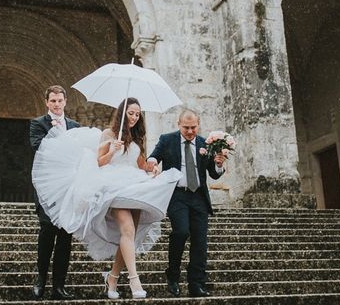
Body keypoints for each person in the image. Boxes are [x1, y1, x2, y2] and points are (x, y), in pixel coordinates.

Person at [32, 97, 182, 300]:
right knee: (127, 230)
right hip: (113, 188)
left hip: (135, 187)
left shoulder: (137, 138)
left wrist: (152, 168)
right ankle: (134, 280)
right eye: (131, 113)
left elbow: (141, 165)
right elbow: (97, 163)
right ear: (122, 113)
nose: (135, 118)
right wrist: (112, 151)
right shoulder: (108, 134)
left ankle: (112, 278)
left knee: (130, 235)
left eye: (138, 114)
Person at [146, 110, 225, 298]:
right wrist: (153, 164)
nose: (190, 131)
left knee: (200, 241)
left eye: (193, 127)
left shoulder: (206, 143)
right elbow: (153, 157)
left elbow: (214, 174)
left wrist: (219, 164)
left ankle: (196, 284)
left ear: (198, 125)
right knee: (181, 231)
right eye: (186, 127)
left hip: (199, 197)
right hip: (177, 195)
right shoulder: (167, 139)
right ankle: (173, 274)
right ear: (178, 124)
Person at [29, 85, 80, 300]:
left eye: (60, 100)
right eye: (53, 101)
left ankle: (59, 285)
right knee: (47, 233)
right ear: (47, 102)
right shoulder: (38, 124)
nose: (57, 104)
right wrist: (62, 140)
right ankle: (41, 280)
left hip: (68, 189)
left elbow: (80, 153)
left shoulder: (75, 126)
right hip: (47, 188)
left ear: (65, 101)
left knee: (65, 238)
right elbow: (38, 147)